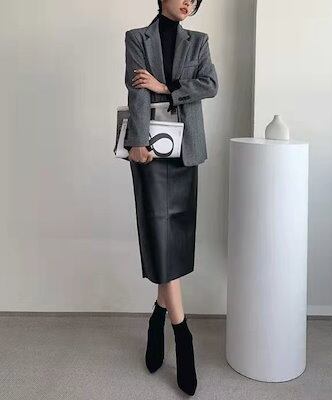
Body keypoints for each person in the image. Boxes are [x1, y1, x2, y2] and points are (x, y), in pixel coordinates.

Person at [123, 0, 218, 396]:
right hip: (149, 150)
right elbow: (136, 90)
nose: (188, 3)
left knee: (174, 235)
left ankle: (158, 315)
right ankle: (182, 332)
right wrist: (138, 140)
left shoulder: (199, 41)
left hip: (185, 151)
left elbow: (210, 84)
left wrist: (167, 88)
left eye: (194, 0)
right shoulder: (137, 38)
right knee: (158, 233)